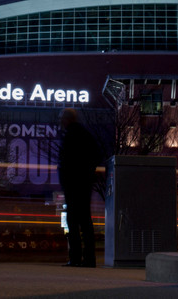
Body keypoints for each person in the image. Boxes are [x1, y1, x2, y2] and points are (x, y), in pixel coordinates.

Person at [57, 108, 100, 267]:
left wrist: (71, 175)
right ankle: (89, 258)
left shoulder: (70, 136)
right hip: (82, 183)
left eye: (62, 118)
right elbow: (96, 155)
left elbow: (66, 161)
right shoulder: (84, 134)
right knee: (84, 221)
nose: (60, 121)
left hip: (74, 184)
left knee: (74, 221)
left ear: (67, 120)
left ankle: (76, 258)